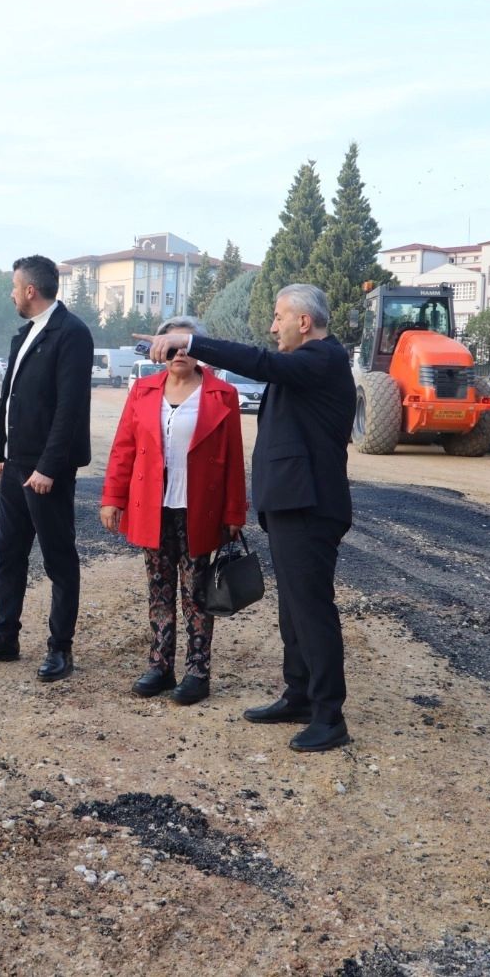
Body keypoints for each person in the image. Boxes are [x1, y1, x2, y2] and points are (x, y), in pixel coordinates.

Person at [137, 283, 357, 751]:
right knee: (292, 609)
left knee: (312, 610)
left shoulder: (323, 357)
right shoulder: (304, 364)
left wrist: (190, 341)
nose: (273, 327)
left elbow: (260, 362)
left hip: (311, 506)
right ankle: (300, 695)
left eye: (279, 317)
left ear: (304, 321)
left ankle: (328, 716)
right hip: (290, 504)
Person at [0, 255, 94, 682]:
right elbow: (12, 398)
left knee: (58, 559)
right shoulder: (26, 333)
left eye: (15, 287)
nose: (12, 294)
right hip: (16, 465)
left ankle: (60, 649)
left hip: (46, 472)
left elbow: (70, 408)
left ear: (30, 290)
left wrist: (49, 468)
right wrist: (2, 451)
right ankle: (5, 638)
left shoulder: (71, 333)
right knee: (9, 552)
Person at [101, 316, 247, 704]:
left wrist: (235, 511)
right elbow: (124, 448)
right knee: (159, 588)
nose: (179, 353)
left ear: (200, 351)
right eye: (172, 346)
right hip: (152, 506)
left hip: (199, 508)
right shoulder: (143, 390)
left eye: (187, 345)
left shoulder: (222, 395)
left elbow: (234, 457)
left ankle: (198, 672)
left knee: (196, 592)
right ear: (159, 349)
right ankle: (161, 666)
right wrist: (113, 497)